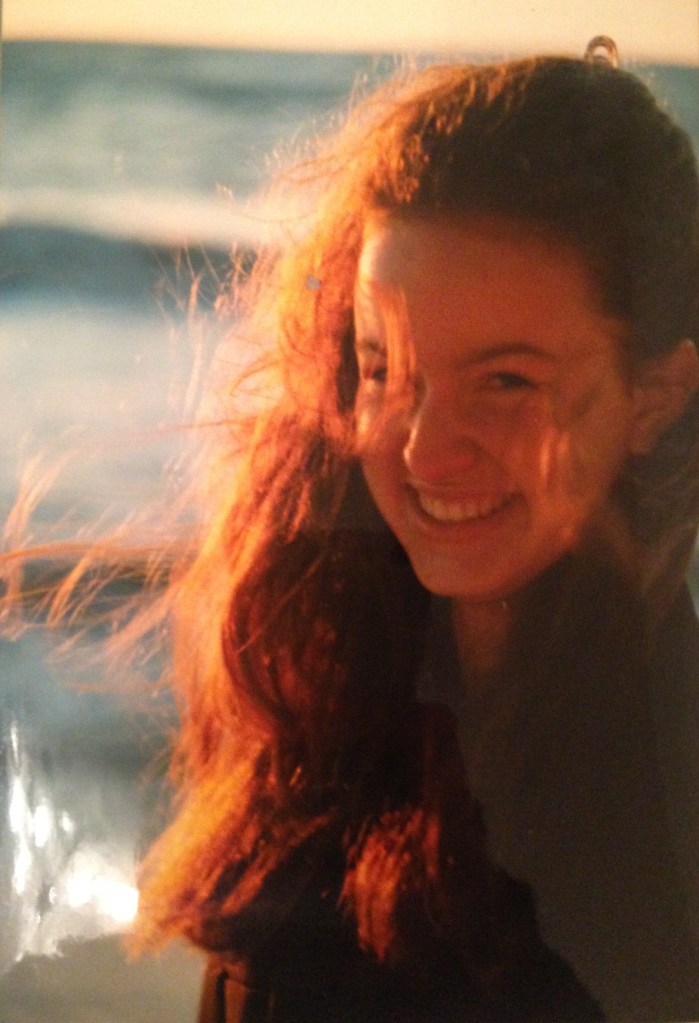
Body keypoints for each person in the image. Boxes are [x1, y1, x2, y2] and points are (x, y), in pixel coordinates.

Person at [128, 44, 699, 1022]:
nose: (423, 450)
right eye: (386, 368)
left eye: (506, 381)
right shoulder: (334, 672)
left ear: (653, 394)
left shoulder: (662, 798)